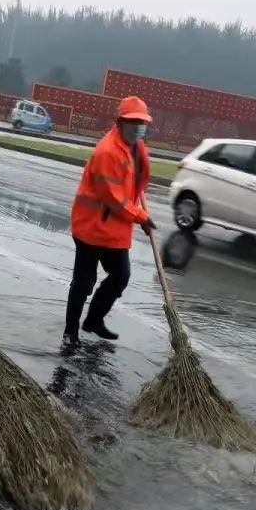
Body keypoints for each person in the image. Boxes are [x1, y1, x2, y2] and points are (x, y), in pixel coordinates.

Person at [64, 96, 156, 345]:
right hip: (90, 226)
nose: (137, 127)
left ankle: (93, 320)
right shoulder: (107, 152)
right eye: (132, 122)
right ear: (119, 122)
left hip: (114, 228)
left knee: (120, 276)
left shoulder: (136, 146)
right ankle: (70, 331)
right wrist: (142, 217)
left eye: (141, 122)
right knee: (84, 282)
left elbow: (134, 184)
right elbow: (114, 200)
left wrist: (138, 203)